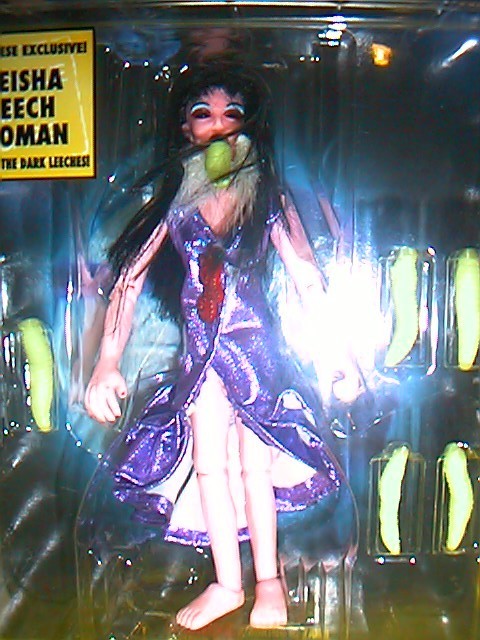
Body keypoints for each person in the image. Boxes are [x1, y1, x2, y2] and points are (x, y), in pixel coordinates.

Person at [84, 62, 359, 631]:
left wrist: (337, 352)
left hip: (255, 358)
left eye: (231, 114)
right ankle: (229, 584)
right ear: (185, 129)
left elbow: (307, 275)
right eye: (203, 114)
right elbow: (129, 278)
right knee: (209, 466)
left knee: (255, 467)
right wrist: (107, 361)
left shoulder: (267, 200)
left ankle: (269, 583)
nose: (218, 127)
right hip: (201, 361)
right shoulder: (176, 204)